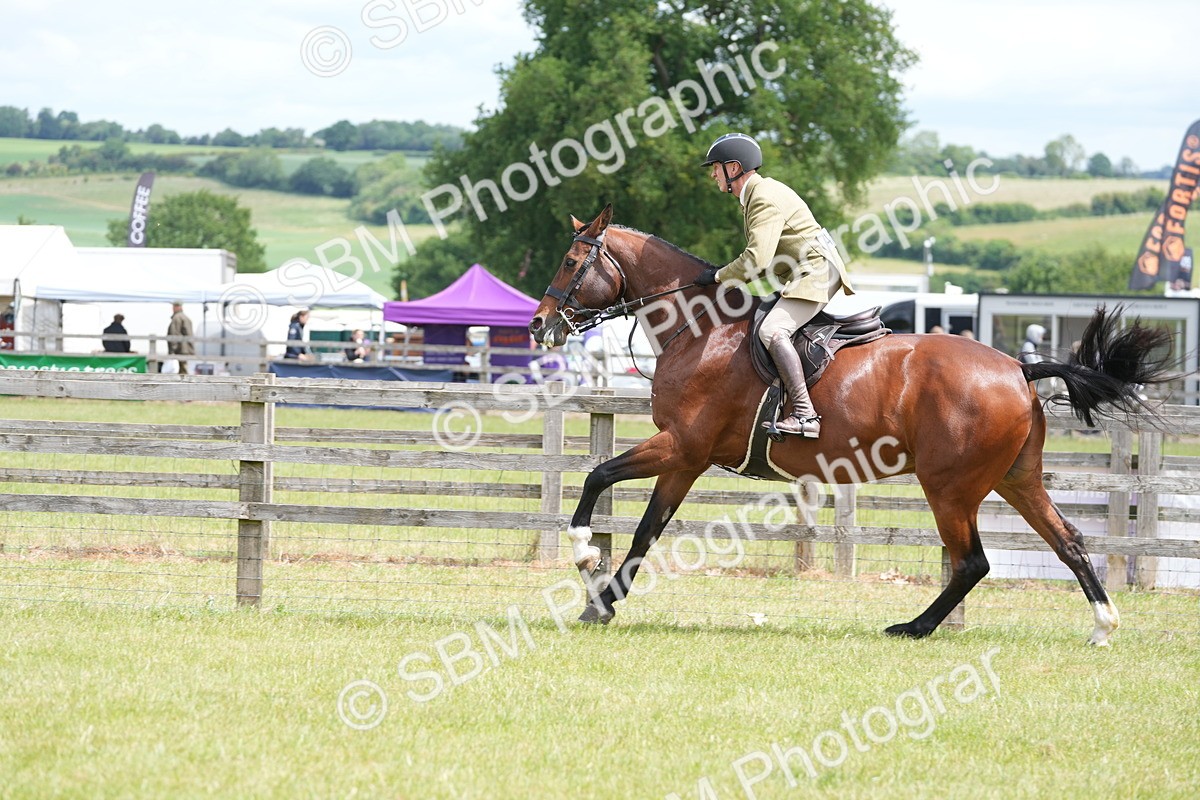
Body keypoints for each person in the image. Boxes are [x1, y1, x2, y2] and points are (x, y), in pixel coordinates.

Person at [695, 133, 855, 438]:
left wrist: (718, 277)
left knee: (772, 330)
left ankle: (806, 415)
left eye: (715, 167)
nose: (713, 174)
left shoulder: (763, 198)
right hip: (806, 272)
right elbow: (764, 261)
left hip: (815, 273)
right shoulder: (757, 194)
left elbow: (756, 259)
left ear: (733, 168)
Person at [167, 302, 194, 373]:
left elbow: (174, 333)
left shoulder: (177, 318)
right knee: (183, 368)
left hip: (180, 348)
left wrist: (173, 349)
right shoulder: (185, 317)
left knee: (182, 370)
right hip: (185, 348)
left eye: (174, 306)